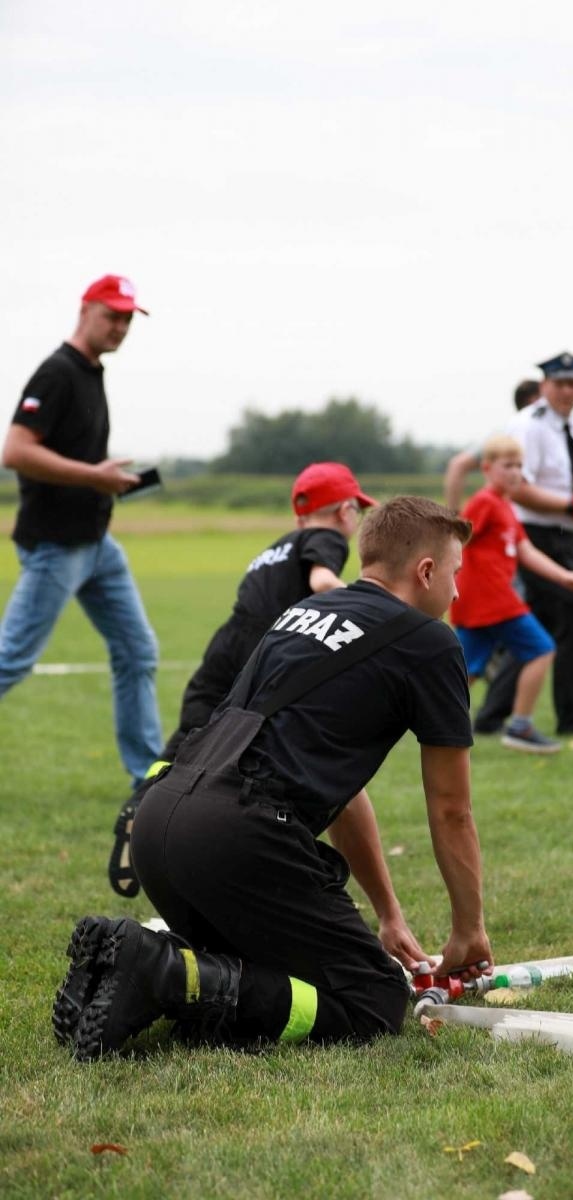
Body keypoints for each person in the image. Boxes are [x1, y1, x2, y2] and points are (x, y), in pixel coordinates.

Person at [53, 497, 493, 1061]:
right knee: (375, 1000)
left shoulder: (303, 614)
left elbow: (343, 789)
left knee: (271, 970)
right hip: (237, 837)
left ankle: (140, 971)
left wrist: (388, 914)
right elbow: (452, 810)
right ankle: (162, 972)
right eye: (455, 575)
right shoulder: (429, 643)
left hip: (161, 821)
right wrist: (469, 929)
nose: (457, 594)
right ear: (426, 571)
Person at [108, 460, 377, 898]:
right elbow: (323, 581)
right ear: (346, 511)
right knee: (268, 755)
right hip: (261, 660)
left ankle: (146, 798)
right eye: (357, 513)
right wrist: (371, 606)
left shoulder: (276, 546)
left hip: (223, 650)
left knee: (189, 739)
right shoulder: (326, 538)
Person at [0, 274, 161, 785]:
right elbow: (15, 451)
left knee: (138, 651)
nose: (119, 326)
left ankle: (147, 777)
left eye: (127, 319)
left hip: (96, 545)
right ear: (86, 309)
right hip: (56, 545)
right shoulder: (58, 372)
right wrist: (95, 476)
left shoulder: (91, 372)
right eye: (111, 314)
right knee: (11, 660)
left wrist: (105, 480)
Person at [451, 436, 573, 753]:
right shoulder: (485, 502)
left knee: (464, 673)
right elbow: (457, 538)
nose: (515, 472)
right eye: (507, 465)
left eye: (519, 466)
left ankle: (426, 722)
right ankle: (520, 726)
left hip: (484, 604)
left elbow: (525, 551)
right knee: (541, 649)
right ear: (487, 469)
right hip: (492, 599)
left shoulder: (507, 507)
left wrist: (565, 576)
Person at [507, 351, 573, 735]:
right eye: (561, 383)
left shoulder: (571, 426)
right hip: (537, 536)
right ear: (544, 385)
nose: (568, 390)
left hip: (565, 535)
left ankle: (491, 713)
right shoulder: (529, 426)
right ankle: (572, 717)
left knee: (539, 626)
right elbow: (519, 488)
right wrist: (571, 506)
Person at [443, 380, 540, 511]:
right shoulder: (504, 437)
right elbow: (458, 465)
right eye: (509, 465)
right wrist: (453, 521)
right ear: (533, 402)